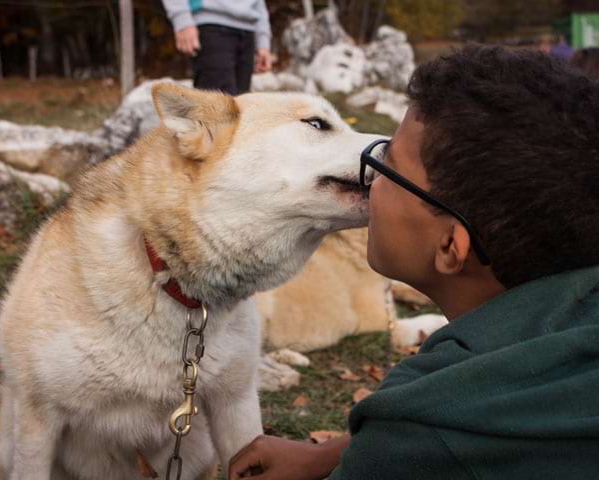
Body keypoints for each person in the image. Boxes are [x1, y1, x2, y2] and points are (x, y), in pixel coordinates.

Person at [229, 45, 599, 479]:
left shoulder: (415, 435)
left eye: (390, 166)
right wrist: (327, 453)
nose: (370, 177)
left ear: (450, 248)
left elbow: (426, 434)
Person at [162, 0, 273, 95]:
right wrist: (182, 20)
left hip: (248, 29)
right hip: (211, 25)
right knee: (215, 110)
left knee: (240, 110)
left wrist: (263, 41)